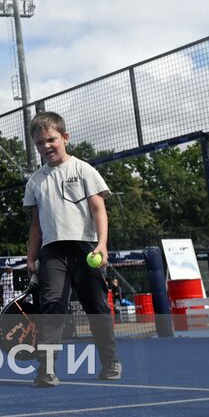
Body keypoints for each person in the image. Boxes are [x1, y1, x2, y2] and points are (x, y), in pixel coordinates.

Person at [24, 111, 121, 386]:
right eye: (40, 143)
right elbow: (35, 226)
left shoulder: (84, 170)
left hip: (85, 249)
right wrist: (31, 257)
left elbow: (99, 210)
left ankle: (110, 361)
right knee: (52, 306)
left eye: (51, 139)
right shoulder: (35, 182)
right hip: (52, 252)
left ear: (65, 138)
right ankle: (46, 370)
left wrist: (102, 245)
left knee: (96, 307)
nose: (46, 146)